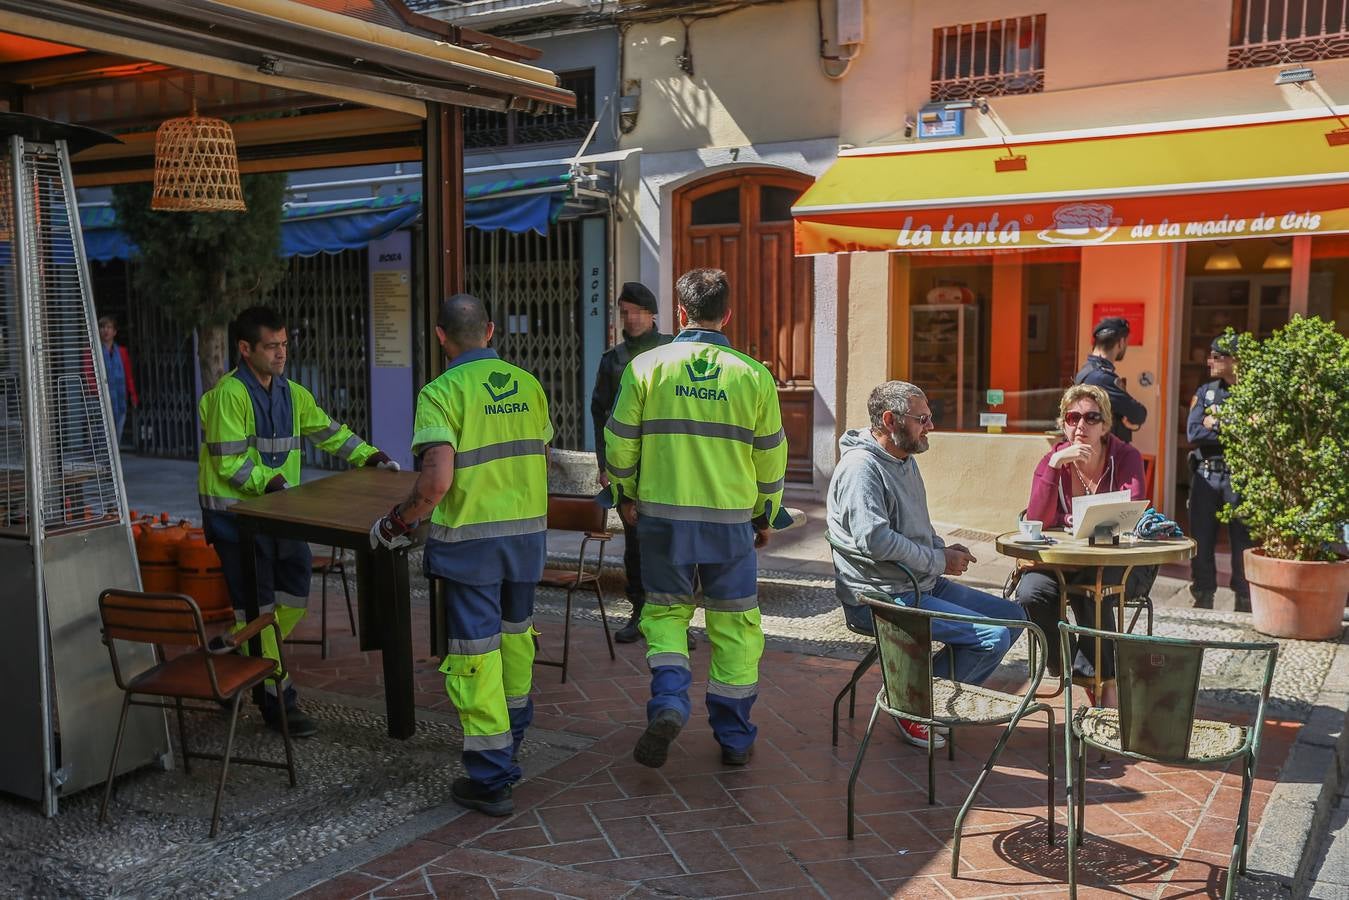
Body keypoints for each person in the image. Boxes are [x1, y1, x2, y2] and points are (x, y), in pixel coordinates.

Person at [371, 293, 552, 818]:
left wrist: (400, 520)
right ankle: (512, 737)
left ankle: (491, 777)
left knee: (475, 655)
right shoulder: (529, 384)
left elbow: (437, 479)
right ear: (491, 331)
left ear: (440, 336)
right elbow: (539, 457)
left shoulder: (440, 392)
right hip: (525, 539)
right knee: (516, 638)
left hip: (472, 545)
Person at [604, 267, 789, 769]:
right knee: (735, 626)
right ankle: (734, 736)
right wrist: (764, 513)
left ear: (680, 312)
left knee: (664, 616)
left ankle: (668, 702)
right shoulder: (754, 375)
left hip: (661, 520)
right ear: (726, 314)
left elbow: (619, 444)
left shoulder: (646, 367)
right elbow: (771, 458)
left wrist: (623, 493)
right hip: (730, 524)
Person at [199, 306, 397, 739]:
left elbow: (329, 431)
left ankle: (236, 648)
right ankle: (278, 702)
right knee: (263, 608)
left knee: (293, 598)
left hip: (279, 515)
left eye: (285, 344)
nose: (281, 353)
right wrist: (272, 486)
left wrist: (370, 455)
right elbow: (229, 462)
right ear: (245, 349)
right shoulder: (230, 395)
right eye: (272, 346)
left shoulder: (292, 393)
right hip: (236, 519)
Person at [827, 380, 1027, 750]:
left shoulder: (903, 459)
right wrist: (938, 559)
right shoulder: (862, 469)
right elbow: (875, 539)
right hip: (881, 596)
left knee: (1013, 619)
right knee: (991, 637)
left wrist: (940, 548)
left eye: (930, 417)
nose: (930, 426)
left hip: (917, 583)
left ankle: (914, 689)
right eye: (922, 419)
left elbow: (916, 524)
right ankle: (912, 704)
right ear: (890, 420)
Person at [1014, 384, 1155, 708]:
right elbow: (1037, 517)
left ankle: (1104, 685)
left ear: (1105, 424)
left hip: (1119, 564)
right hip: (1063, 563)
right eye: (1073, 417)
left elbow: (1131, 510)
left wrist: (1076, 522)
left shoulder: (1126, 456)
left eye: (1091, 417)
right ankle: (1066, 666)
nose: (1081, 425)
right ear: (1063, 423)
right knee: (1030, 593)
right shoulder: (1053, 460)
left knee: (1095, 587)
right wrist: (1054, 466)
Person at [588, 282, 676, 645]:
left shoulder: (674, 349)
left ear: (651, 313)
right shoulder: (613, 360)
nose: (628, 317)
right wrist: (605, 464)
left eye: (634, 310)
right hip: (632, 468)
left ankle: (675, 619)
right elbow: (599, 413)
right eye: (623, 311)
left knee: (674, 546)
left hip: (672, 465)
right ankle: (638, 611)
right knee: (636, 544)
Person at [1187, 333, 1252, 613]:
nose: (1209, 360)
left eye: (1217, 356)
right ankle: (1203, 595)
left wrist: (1217, 422)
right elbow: (1194, 432)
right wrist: (1236, 425)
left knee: (1243, 541)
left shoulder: (1253, 393)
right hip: (1206, 474)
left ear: (1234, 359)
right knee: (1201, 539)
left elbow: (1255, 434)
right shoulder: (1206, 392)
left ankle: (1244, 598)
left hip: (1239, 476)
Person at [1074, 316, 1147, 444]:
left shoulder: (1088, 371)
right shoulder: (1101, 377)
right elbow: (1138, 414)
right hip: (1104, 454)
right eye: (1126, 342)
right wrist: (1133, 421)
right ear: (1121, 342)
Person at [96, 315, 138, 445]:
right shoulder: (94, 351)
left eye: (109, 327)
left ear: (114, 332)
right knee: (103, 439)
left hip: (120, 401)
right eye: (102, 327)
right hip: (101, 402)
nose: (106, 330)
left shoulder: (122, 352)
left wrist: (133, 395)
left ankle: (114, 463)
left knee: (116, 437)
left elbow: (128, 375)